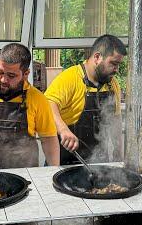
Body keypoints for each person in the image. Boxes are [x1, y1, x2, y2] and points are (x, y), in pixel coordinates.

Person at [44, 34, 125, 165]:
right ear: (97, 57)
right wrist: (63, 130)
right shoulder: (70, 78)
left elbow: (115, 120)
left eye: (118, 65)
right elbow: (48, 103)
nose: (116, 69)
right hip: (66, 162)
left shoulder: (112, 84)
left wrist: (118, 155)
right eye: (113, 63)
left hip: (98, 164)